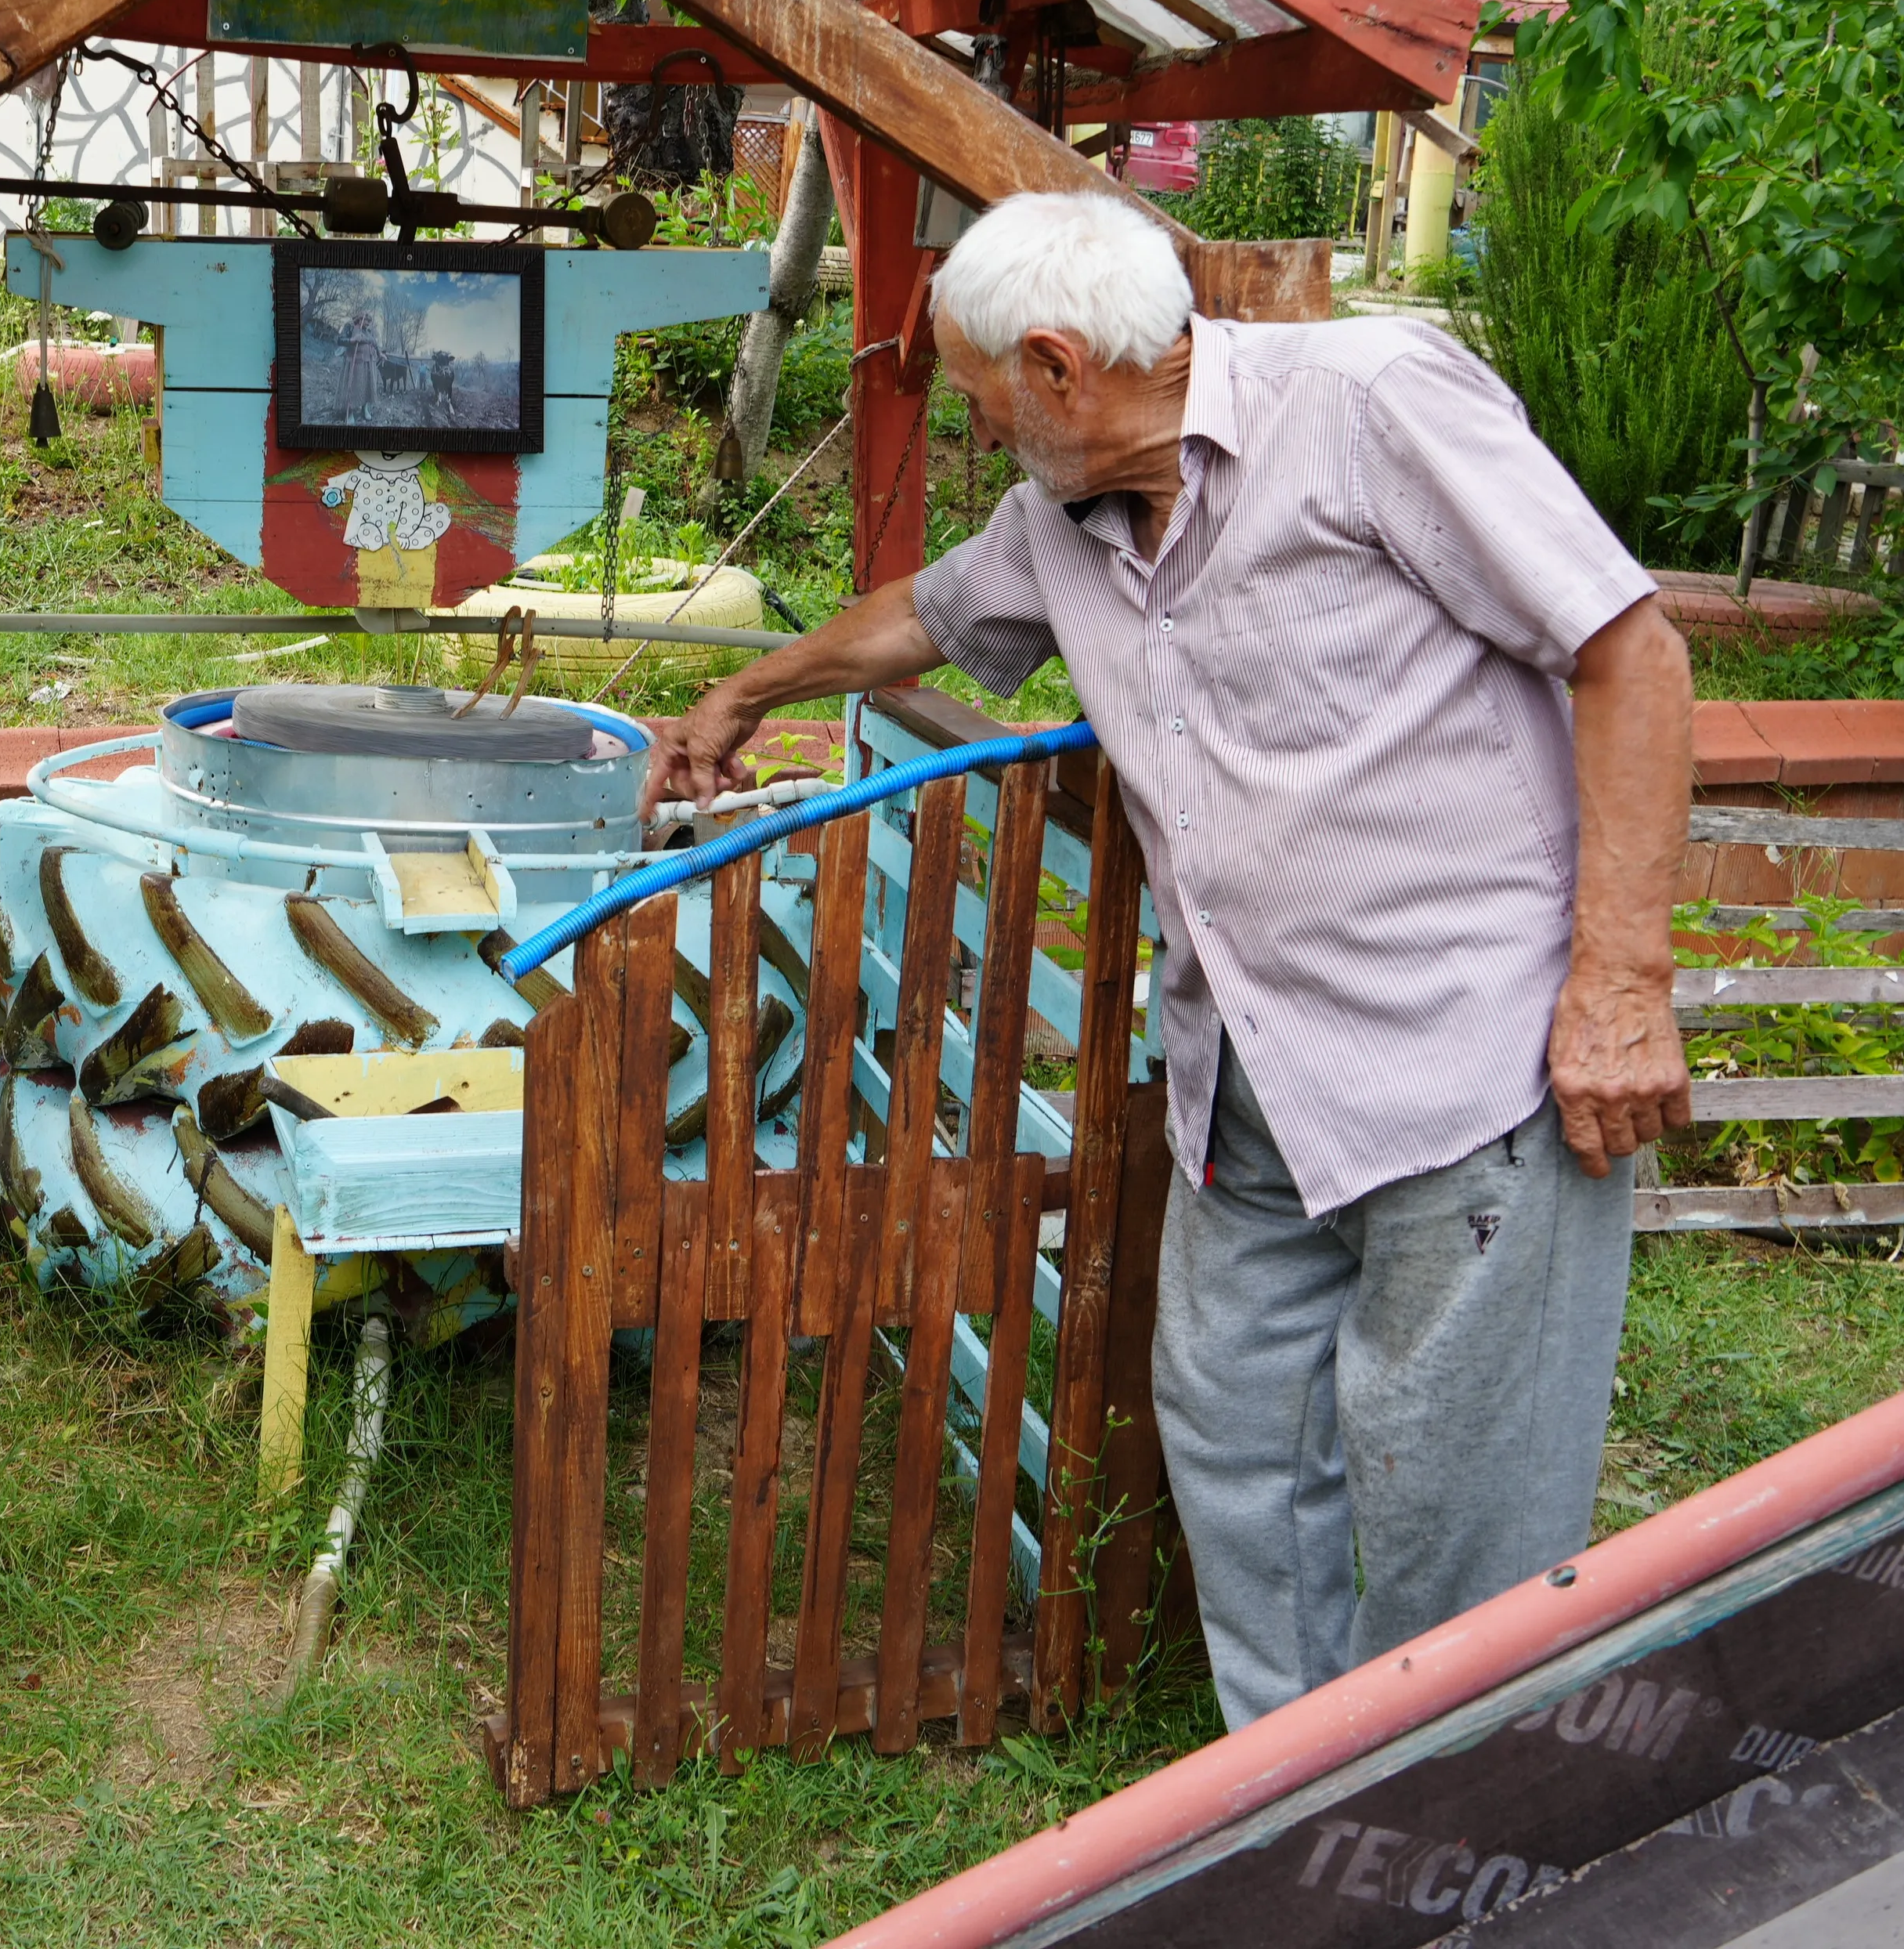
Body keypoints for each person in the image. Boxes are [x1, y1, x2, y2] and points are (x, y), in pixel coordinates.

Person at [645, 189, 1693, 1729]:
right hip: (1250, 1079)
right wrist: (748, 692)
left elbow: (1625, 648)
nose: (971, 417)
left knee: (1446, 1502)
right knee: (1235, 1445)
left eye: (974, 383)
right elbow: (913, 623)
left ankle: (1455, 1819)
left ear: (1056, 367)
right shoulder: (1057, 523)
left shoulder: (1365, 407)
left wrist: (1618, 980)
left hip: (1472, 1066)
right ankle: (1292, 1793)